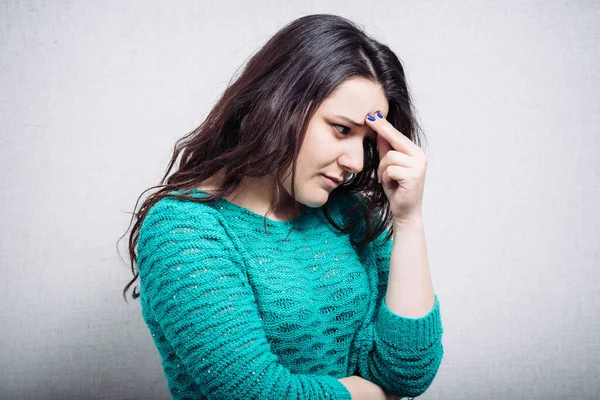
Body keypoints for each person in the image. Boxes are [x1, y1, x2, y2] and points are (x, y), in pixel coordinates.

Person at [121, 13, 443, 400]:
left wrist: (409, 220)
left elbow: (409, 374)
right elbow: (255, 393)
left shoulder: (352, 215)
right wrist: (372, 396)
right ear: (280, 102)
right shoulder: (185, 230)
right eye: (341, 129)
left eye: (367, 140)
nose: (356, 161)